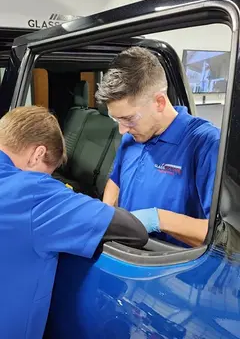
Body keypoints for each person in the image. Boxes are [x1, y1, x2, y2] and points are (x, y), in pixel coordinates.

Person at [0, 106, 149, 339]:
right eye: (46, 173)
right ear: (37, 154)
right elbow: (134, 231)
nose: (46, 180)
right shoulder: (32, 193)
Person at [95, 46, 221, 248]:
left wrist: (158, 219)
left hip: (171, 270)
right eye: (115, 118)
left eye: (128, 118)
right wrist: (107, 215)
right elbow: (116, 181)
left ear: (159, 102)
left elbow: (223, 236)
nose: (121, 130)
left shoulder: (206, 144)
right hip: (129, 257)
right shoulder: (132, 136)